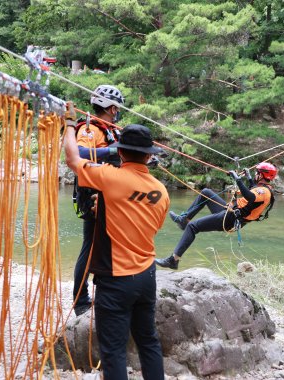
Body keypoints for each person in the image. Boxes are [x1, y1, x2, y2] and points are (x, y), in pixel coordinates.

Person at [64, 112, 169, 380]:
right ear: (148, 156)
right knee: (148, 342)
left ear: (120, 152)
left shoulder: (110, 177)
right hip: (147, 276)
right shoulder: (161, 191)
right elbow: (150, 226)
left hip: (116, 280)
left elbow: (73, 159)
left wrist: (68, 125)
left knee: (113, 350)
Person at [155, 162, 277, 270]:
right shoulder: (262, 189)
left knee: (192, 227)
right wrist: (249, 178)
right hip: (229, 212)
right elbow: (253, 191)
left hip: (230, 218)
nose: (255, 175)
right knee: (206, 192)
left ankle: (173, 260)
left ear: (261, 175)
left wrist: (238, 179)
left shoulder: (265, 192)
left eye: (256, 173)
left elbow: (250, 196)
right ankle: (184, 219)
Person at [72, 84, 125, 316]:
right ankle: (81, 300)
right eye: (118, 109)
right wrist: (113, 152)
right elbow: (80, 153)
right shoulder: (89, 128)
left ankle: (104, 290)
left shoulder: (110, 129)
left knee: (108, 244)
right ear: (112, 108)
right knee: (91, 246)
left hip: (109, 192)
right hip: (93, 194)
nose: (119, 112)